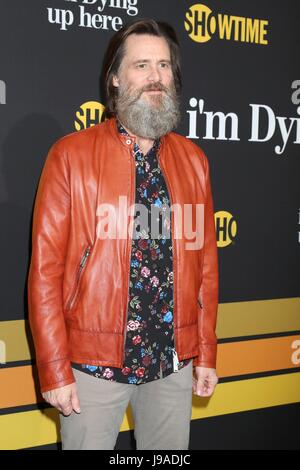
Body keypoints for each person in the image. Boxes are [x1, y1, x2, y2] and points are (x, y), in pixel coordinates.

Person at [28, 18, 219, 450]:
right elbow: (45, 274)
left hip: (172, 365)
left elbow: (206, 264)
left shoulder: (194, 161)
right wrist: (56, 370)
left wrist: (205, 351)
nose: (156, 77)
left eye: (165, 66)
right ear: (115, 79)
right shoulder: (70, 157)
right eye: (142, 65)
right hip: (93, 367)